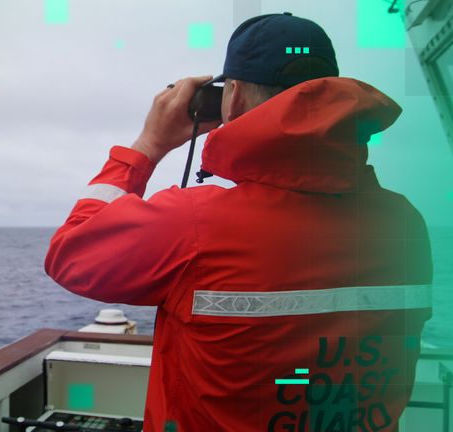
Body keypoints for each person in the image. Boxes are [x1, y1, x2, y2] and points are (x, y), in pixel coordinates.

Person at [44, 12, 432, 432]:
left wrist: (149, 144)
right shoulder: (405, 224)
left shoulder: (194, 226)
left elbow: (70, 254)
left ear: (233, 98)